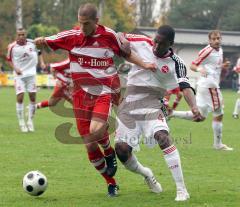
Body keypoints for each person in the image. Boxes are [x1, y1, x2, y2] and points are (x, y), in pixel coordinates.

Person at [34, 3, 155, 197]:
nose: (83, 28)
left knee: (95, 130)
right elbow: (49, 41)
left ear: (96, 21)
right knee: (90, 144)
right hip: (80, 95)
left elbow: (127, 53)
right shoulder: (72, 36)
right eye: (80, 23)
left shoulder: (109, 35)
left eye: (87, 24)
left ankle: (109, 152)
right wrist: (40, 41)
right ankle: (111, 182)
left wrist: (145, 63)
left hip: (103, 91)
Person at [115, 25, 203, 201]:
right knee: (122, 150)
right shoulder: (142, 42)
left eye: (160, 43)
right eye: (155, 40)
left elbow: (185, 87)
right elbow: (117, 34)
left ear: (170, 44)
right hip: (129, 103)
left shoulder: (176, 63)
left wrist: (194, 107)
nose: (155, 45)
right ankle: (147, 174)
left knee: (162, 137)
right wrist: (122, 41)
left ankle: (181, 190)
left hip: (153, 103)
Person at [171, 30, 233, 151]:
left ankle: (171, 114)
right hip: (210, 86)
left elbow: (212, 66)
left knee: (200, 117)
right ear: (209, 40)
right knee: (219, 113)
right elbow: (193, 65)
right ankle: (218, 144)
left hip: (206, 86)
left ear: (221, 39)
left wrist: (222, 66)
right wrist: (200, 69)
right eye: (214, 39)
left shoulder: (219, 50)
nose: (216, 41)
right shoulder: (207, 51)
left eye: (218, 38)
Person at [6, 28, 46, 132]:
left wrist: (42, 62)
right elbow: (9, 60)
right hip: (19, 75)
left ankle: (30, 121)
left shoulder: (32, 43)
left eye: (23, 34)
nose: (21, 36)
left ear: (25, 34)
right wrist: (15, 69)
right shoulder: (12, 47)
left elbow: (40, 52)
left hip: (31, 75)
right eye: (19, 35)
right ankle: (21, 122)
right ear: (16, 35)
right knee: (20, 97)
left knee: (33, 97)